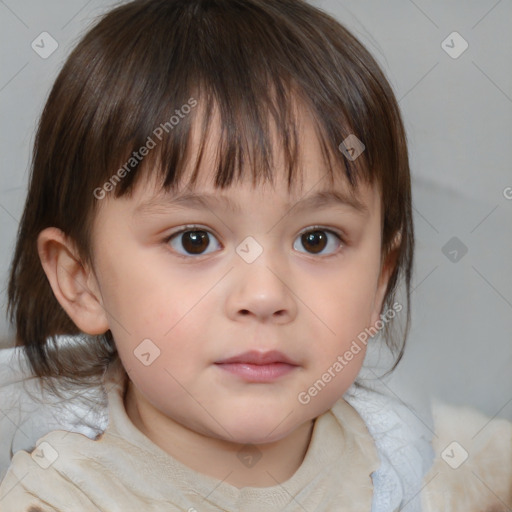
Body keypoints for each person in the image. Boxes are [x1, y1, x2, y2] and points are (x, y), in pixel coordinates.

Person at [0, 0, 510, 510]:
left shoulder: (400, 455)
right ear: (81, 280)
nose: (265, 295)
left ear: (380, 279)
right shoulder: (59, 498)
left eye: (317, 239)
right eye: (194, 240)